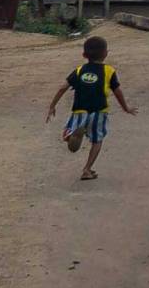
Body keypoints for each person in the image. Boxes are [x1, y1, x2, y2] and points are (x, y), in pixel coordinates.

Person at [45, 35, 133, 181]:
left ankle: (70, 134)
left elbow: (62, 88)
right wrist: (125, 107)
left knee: (72, 128)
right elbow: (117, 91)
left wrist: (52, 106)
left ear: (84, 55)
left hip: (80, 110)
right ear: (105, 53)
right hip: (99, 111)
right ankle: (87, 169)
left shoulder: (79, 70)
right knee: (97, 140)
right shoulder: (109, 71)